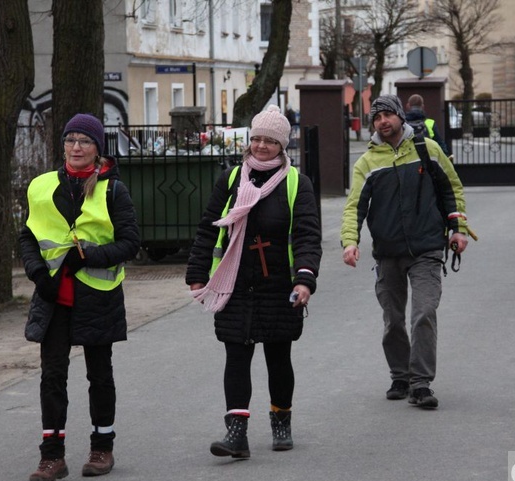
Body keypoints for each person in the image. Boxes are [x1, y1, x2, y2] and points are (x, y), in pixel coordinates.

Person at [186, 104, 322, 458]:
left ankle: (281, 420)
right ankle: (236, 435)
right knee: (236, 356)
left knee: (278, 358)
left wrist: (304, 280)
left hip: (280, 286)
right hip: (236, 285)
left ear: (282, 145)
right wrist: (197, 274)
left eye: (270, 141)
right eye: (257, 138)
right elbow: (207, 228)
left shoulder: (297, 184)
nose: (261, 146)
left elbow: (307, 235)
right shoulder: (232, 180)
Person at [19, 113, 141, 481]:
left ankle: (102, 447)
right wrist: (39, 275)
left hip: (97, 296)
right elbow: (27, 237)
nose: (76, 147)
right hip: (53, 296)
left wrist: (88, 255)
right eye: (71, 140)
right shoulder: (41, 186)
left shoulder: (113, 190)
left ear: (97, 149)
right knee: (52, 376)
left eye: (84, 141)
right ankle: (52, 457)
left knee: (99, 375)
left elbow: (130, 243)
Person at [341, 95, 469, 410]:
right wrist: (350, 241)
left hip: (426, 248)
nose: (383, 121)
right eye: (377, 118)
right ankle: (400, 375)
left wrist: (458, 229)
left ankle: (421, 383)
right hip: (387, 253)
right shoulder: (367, 162)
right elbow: (354, 206)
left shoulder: (428, 149)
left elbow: (452, 190)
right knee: (393, 320)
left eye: (388, 115)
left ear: (400, 116)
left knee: (424, 313)